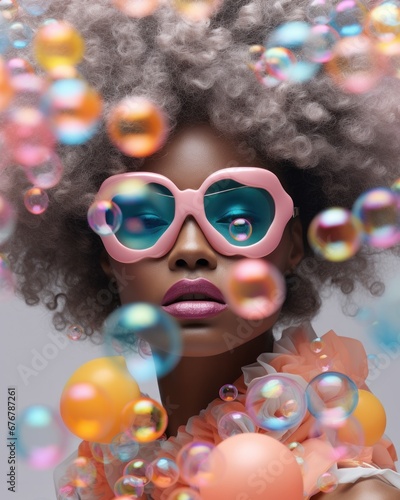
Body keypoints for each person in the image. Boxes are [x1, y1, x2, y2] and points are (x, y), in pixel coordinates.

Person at [2, 0, 400, 498]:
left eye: (237, 220)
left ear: (293, 244)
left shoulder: (352, 493)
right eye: (146, 220)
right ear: (104, 254)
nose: (192, 251)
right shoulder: (111, 477)